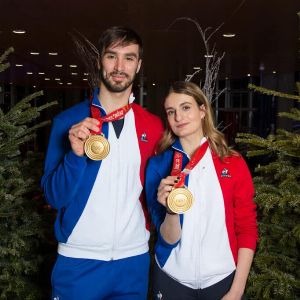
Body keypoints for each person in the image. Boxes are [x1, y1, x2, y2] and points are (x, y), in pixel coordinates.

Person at [41, 26, 163, 300]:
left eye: (129, 58)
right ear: (99, 61)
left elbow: (157, 195)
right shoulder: (69, 122)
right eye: (112, 56)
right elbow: (54, 196)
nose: (120, 66)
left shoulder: (152, 126)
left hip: (133, 262)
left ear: (139, 65)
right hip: (79, 262)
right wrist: (75, 155)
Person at [145, 81, 258, 300]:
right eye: (171, 112)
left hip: (223, 279)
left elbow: (247, 228)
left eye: (186, 107)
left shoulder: (231, 162)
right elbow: (167, 239)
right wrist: (170, 210)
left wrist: (237, 290)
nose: (179, 117)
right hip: (171, 278)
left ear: (202, 110)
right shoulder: (158, 166)